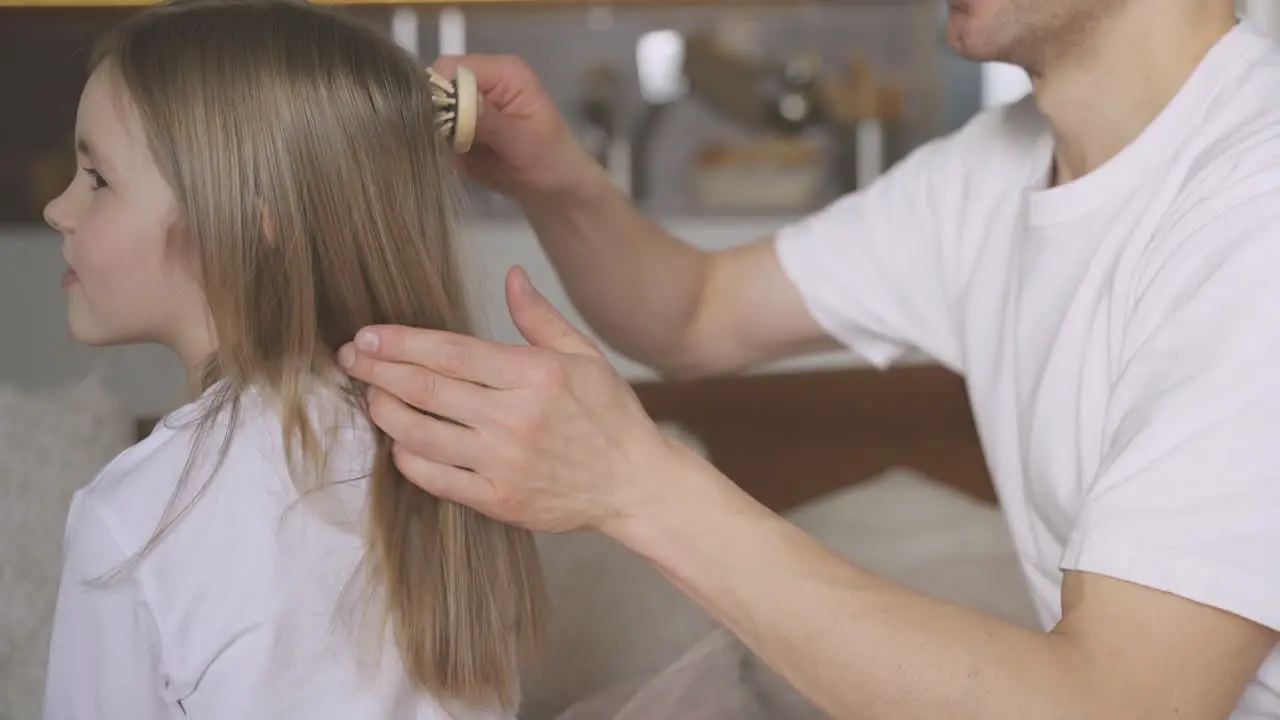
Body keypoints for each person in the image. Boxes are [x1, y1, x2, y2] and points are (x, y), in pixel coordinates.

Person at [338, 0, 1280, 717]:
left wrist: (639, 487)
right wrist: (560, 177)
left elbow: (1114, 704)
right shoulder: (990, 170)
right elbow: (695, 315)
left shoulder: (1257, 201)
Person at [39, 0, 548, 717]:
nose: (59, 209)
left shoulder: (136, 517)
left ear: (252, 223)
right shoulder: (452, 457)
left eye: (98, 178)